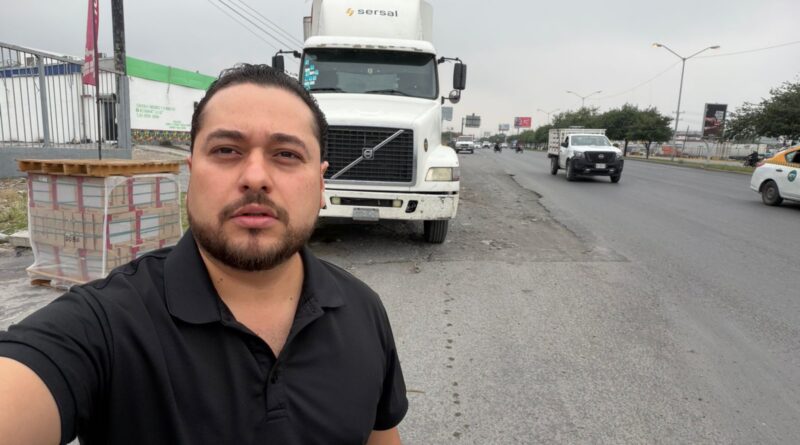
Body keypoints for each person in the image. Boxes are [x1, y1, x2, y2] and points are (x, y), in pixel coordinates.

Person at [0, 64, 407, 445]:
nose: (255, 178)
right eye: (227, 150)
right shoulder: (105, 325)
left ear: (320, 183)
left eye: (286, 154)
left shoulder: (364, 310)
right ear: (191, 173)